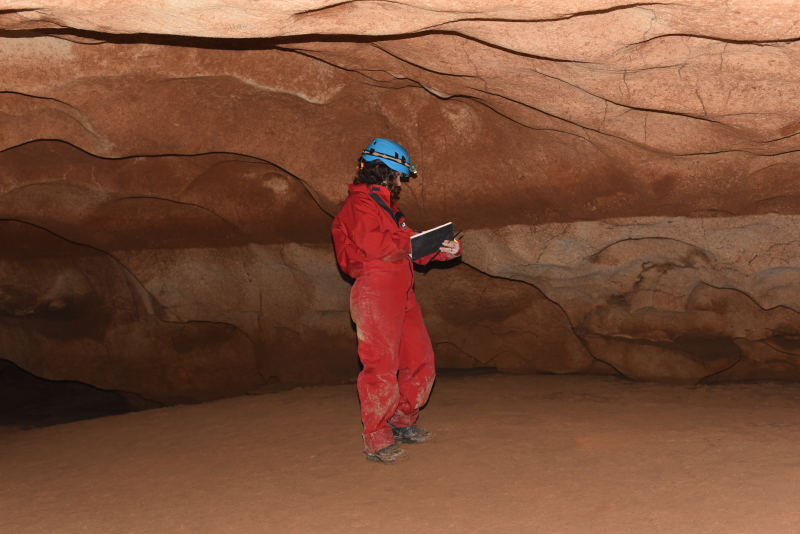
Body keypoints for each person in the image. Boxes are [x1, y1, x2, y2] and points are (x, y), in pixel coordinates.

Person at [331, 138, 462, 464]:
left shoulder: (390, 211)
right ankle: (376, 438)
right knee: (381, 367)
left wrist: (446, 250)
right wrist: (414, 241)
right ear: (385, 172)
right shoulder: (358, 206)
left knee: (421, 361)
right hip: (375, 289)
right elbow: (377, 245)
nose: (401, 183)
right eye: (399, 176)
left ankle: (403, 421)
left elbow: (409, 246)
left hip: (402, 291)